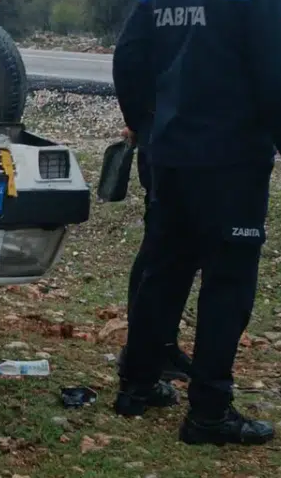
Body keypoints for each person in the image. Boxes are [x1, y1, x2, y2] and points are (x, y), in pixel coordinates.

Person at [112, 0, 281, 446]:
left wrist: (143, 127)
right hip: (231, 163)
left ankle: (137, 385)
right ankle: (209, 414)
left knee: (163, 267)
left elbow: (129, 62)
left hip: (168, 157)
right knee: (228, 281)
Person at [116, 125, 193, 384]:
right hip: (168, 139)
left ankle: (157, 346)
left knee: (170, 249)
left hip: (170, 137)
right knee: (164, 250)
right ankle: (147, 352)